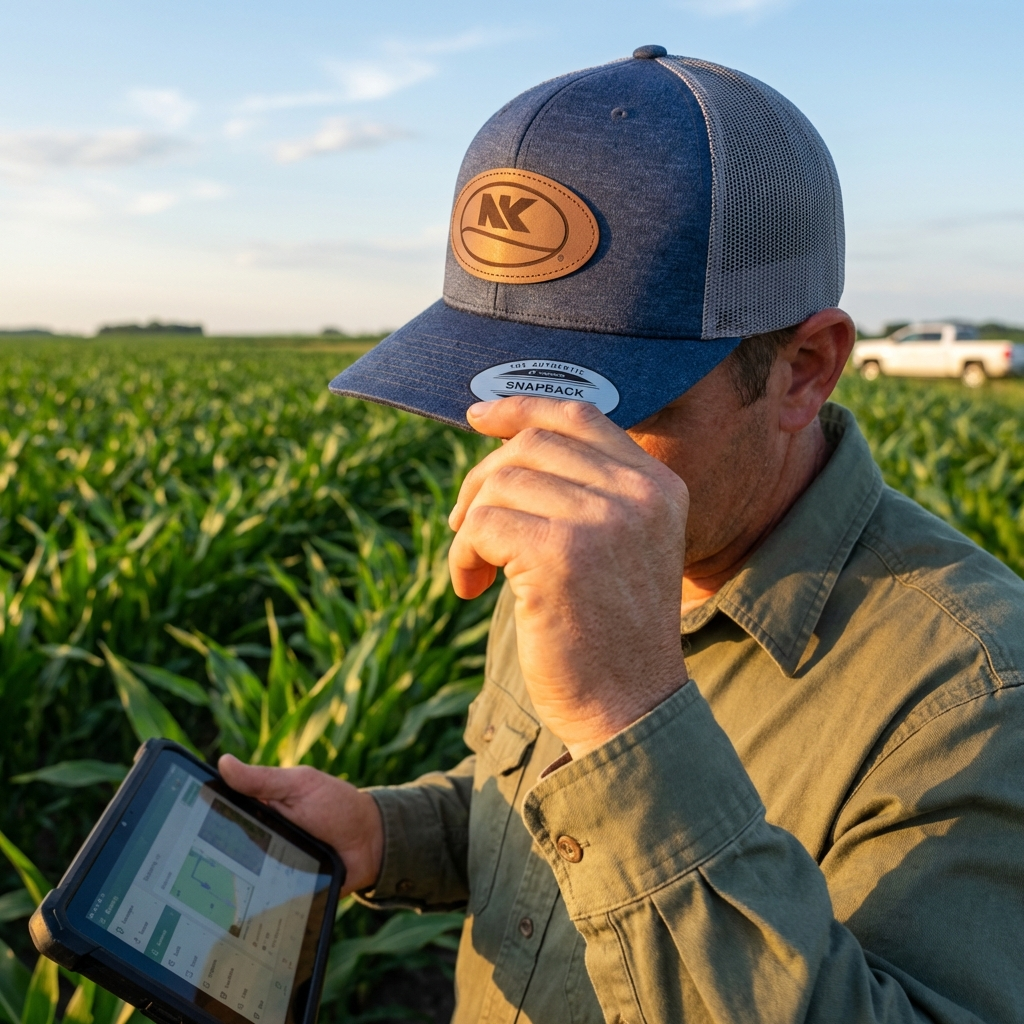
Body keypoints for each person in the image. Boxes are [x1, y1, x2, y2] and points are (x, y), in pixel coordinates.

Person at [221, 47, 1024, 1023]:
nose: (538, 458)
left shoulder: (974, 696)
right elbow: (529, 799)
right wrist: (386, 832)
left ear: (805, 368)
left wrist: (628, 719)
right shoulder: (582, 539)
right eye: (501, 395)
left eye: (602, 405)